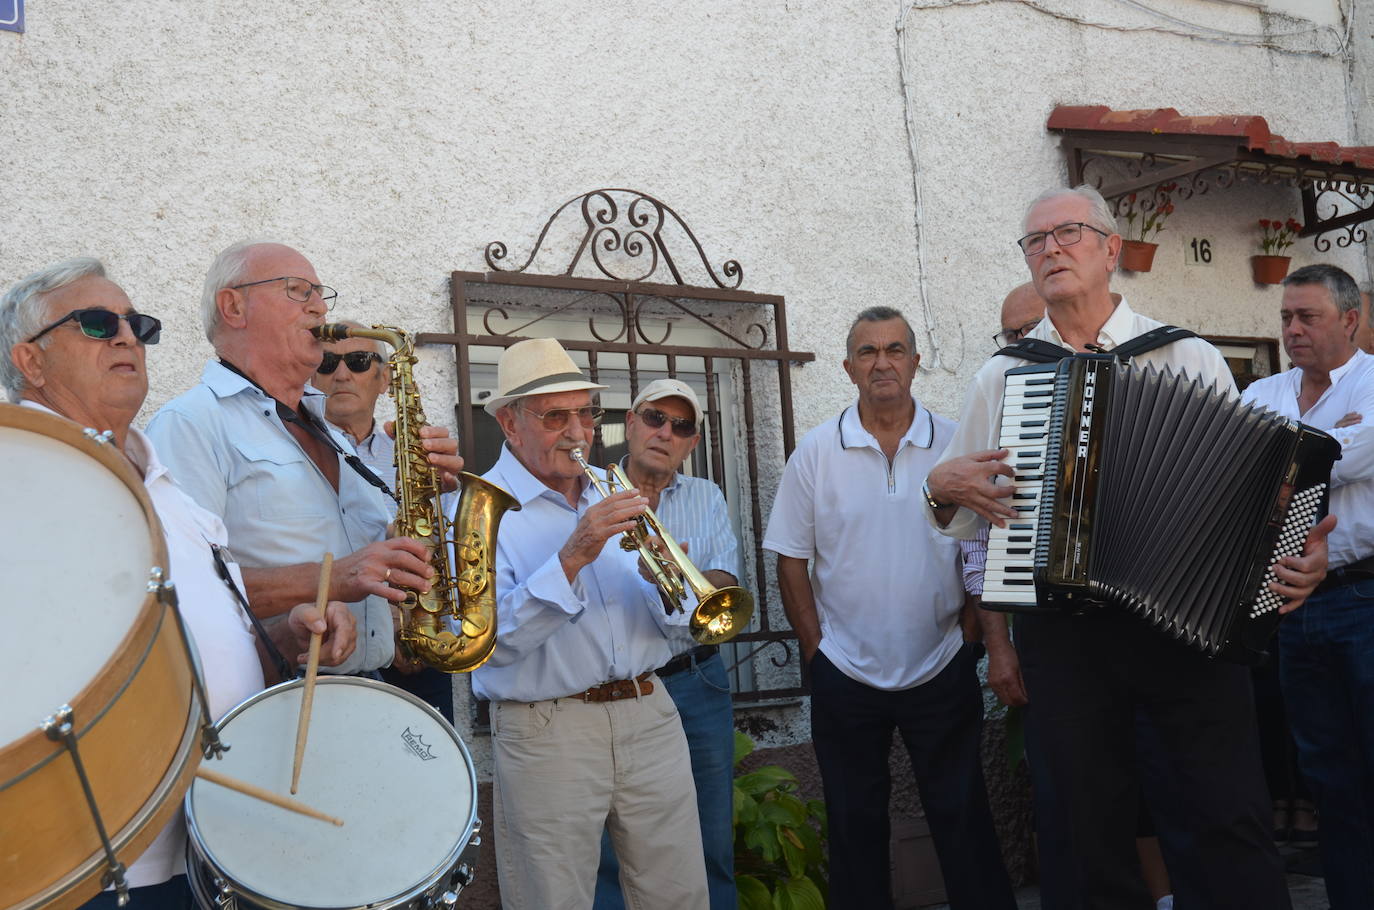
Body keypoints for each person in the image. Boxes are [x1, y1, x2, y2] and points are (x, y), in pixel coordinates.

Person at [923, 184, 1332, 910]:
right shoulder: (1004, 377)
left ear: (1112, 249)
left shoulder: (1187, 355)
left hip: (1189, 630)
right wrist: (940, 485)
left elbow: (1250, 495)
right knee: (1083, 831)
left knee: (1222, 818)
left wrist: (1292, 559)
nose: (1049, 249)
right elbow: (959, 517)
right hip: (1065, 633)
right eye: (1034, 240)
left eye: (1067, 233)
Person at [0, 257, 357, 909]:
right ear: (31, 361)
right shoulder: (18, 474)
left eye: (137, 324)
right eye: (98, 323)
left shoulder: (158, 480)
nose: (127, 338)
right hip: (90, 860)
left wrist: (287, 633)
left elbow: (197, 634)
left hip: (205, 839)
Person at [763, 306, 1016, 910]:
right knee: (854, 826)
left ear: (915, 362)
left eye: (895, 350)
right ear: (849, 367)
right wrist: (815, 650)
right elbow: (790, 559)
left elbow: (982, 546)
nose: (883, 363)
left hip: (941, 664)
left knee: (963, 818)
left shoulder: (956, 445)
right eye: (869, 352)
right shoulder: (817, 453)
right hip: (845, 672)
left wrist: (973, 636)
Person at [146, 241, 463, 677]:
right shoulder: (191, 423)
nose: (319, 309)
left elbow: (364, 553)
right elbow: (181, 584)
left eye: (320, 294)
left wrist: (422, 502)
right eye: (298, 290)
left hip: (371, 686)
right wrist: (332, 579)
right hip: (271, 695)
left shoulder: (329, 432)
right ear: (233, 306)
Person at [474, 338, 708, 910]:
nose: (578, 431)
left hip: (650, 711)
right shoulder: (481, 509)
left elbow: (675, 627)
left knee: (679, 893)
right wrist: (573, 555)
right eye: (556, 416)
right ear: (510, 422)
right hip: (548, 728)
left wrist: (668, 581)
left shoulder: (612, 491)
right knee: (552, 897)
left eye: (586, 413)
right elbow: (491, 644)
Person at [1241, 263, 1374, 910]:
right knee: (1330, 781)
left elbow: (1336, 460)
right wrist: (1324, 444)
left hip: (1365, 598)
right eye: (1286, 317)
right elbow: (1231, 476)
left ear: (1351, 320)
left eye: (1308, 317)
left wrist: (1289, 456)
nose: (1292, 330)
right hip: (1290, 609)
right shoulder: (1261, 394)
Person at [593, 379, 740, 910]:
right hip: (620, 686)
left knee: (711, 834)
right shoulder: (591, 494)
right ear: (629, 424)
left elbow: (724, 577)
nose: (665, 433)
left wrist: (679, 570)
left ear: (692, 442)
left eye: (680, 426)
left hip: (695, 677)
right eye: (654, 418)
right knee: (613, 848)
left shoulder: (706, 496)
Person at [312, 320, 456, 722]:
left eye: (358, 361)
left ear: (384, 378)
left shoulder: (418, 453)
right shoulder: (296, 450)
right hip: (339, 645)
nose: (341, 374)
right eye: (327, 363)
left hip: (421, 636)